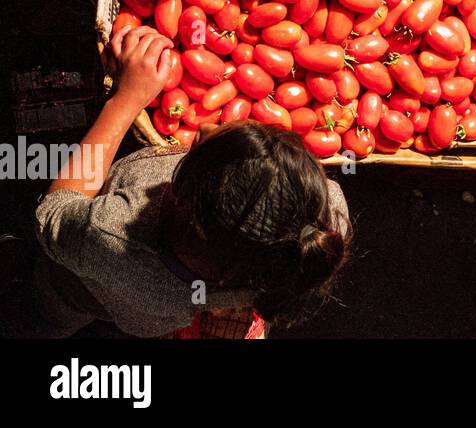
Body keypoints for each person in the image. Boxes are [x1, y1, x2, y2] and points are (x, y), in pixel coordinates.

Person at [0, 26, 351, 338]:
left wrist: (124, 101)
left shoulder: (110, 233)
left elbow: (55, 213)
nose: (203, 128)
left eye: (198, 150)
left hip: (78, 288)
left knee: (50, 309)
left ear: (178, 195)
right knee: (118, 317)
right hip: (149, 314)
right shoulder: (323, 215)